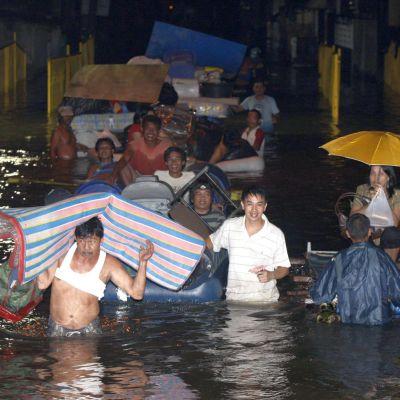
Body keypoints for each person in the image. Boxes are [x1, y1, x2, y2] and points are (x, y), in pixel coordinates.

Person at [37, 217, 154, 337]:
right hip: (57, 328)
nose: (86, 247)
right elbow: (42, 283)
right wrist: (38, 253)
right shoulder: (61, 254)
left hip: (89, 330)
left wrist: (143, 263)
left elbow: (137, 294)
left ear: (101, 240)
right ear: (76, 238)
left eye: (92, 241)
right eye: (82, 241)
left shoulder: (108, 264)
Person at [310, 213, 400, 325]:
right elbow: (397, 291)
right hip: (379, 323)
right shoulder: (382, 257)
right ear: (369, 232)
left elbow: (320, 296)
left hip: (349, 323)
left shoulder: (338, 259)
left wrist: (313, 286)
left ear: (348, 233)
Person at [206, 186, 290, 302]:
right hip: (235, 300)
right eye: (250, 204)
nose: (254, 209)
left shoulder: (276, 234)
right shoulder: (230, 226)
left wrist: (271, 275)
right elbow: (207, 244)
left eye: (259, 204)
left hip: (265, 301)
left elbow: (284, 268)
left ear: (265, 206)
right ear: (242, 205)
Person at [351, 165, 400, 262]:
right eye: (372, 173)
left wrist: (383, 199)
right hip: (368, 236)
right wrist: (371, 203)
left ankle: (390, 267)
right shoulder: (362, 189)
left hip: (387, 241)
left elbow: (395, 223)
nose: (376, 178)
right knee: (358, 229)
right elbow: (352, 218)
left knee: (392, 234)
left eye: (381, 174)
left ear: (388, 177)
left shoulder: (397, 193)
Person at [111, 115, 172, 186]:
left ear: (159, 131)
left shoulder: (167, 145)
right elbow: (123, 160)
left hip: (161, 179)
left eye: (154, 129)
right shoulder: (134, 145)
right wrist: (112, 176)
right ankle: (131, 192)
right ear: (142, 129)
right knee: (122, 165)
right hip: (138, 177)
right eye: (147, 128)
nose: (150, 132)